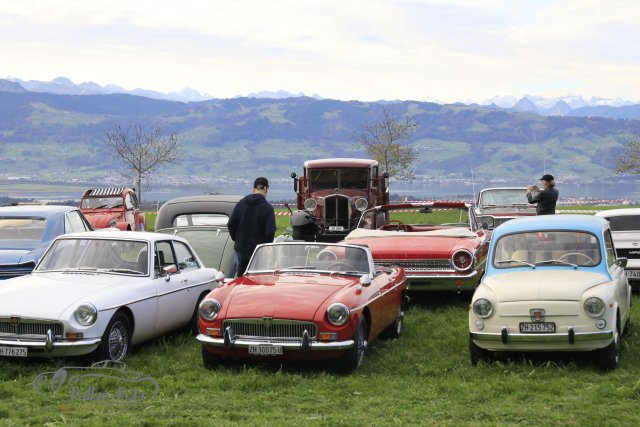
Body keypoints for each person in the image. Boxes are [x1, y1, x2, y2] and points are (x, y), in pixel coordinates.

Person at [227, 177, 276, 276]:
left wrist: (236, 239)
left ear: (253, 189)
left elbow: (231, 224)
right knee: (258, 278)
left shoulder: (240, 203)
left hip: (240, 248)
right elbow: (270, 232)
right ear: (266, 189)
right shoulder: (268, 208)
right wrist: (266, 246)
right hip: (259, 250)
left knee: (241, 278)